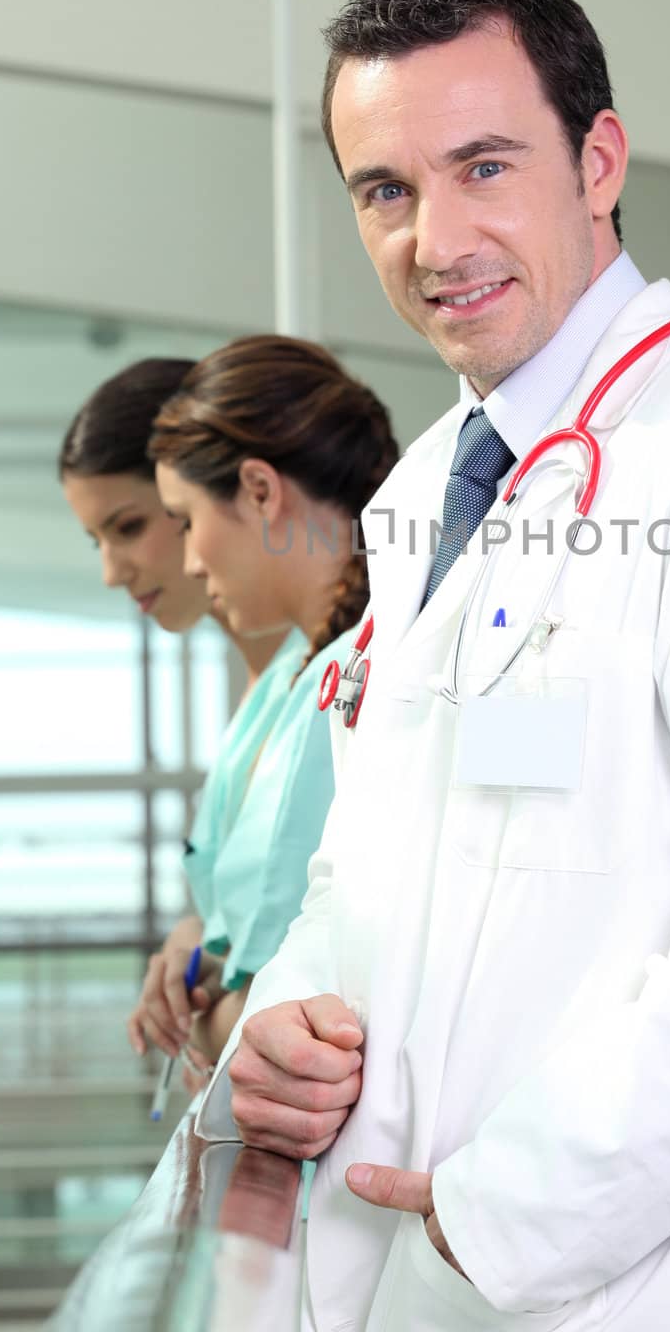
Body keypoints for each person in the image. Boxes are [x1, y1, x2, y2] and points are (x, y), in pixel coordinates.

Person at [195, 0, 670, 1331]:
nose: (435, 239)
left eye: (484, 166)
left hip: (604, 1281)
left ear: (597, 160)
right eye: (386, 190)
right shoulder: (429, 487)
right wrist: (283, 1021)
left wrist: (508, 1217)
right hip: (379, 1251)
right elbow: (373, 859)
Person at [149, 334, 398, 1065]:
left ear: (259, 489)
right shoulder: (302, 668)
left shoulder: (365, 671)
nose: (191, 560)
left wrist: (214, 1024)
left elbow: (294, 1006)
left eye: (187, 521)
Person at [60, 359, 300, 1069]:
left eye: (128, 527)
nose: (111, 570)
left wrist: (214, 1019)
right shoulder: (262, 698)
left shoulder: (328, 682)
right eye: (96, 542)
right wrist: (191, 936)